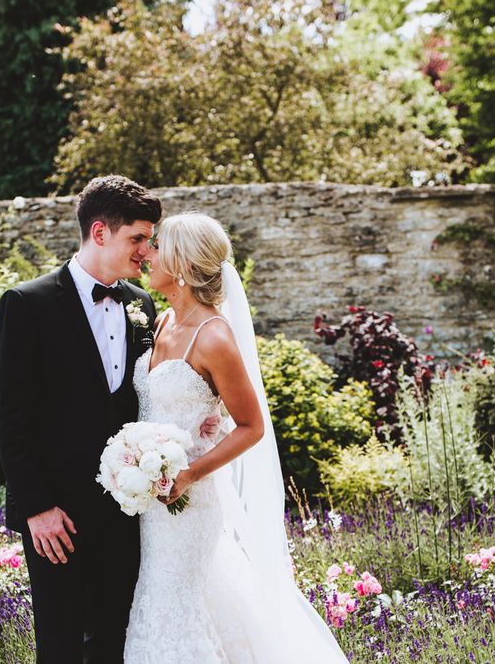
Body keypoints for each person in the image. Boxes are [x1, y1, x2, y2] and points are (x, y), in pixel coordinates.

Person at [124, 212, 350, 663]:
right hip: (150, 502)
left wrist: (188, 473)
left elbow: (253, 425)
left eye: (157, 246)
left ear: (183, 266)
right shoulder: (163, 322)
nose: (146, 253)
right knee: (171, 600)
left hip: (189, 502)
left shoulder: (214, 337)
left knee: (176, 604)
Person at [0, 175, 162, 663]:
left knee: (115, 642)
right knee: (61, 647)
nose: (146, 251)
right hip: (56, 517)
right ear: (100, 232)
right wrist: (36, 507)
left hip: (126, 510)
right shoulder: (27, 303)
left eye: (149, 240)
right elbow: (10, 416)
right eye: (137, 238)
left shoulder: (140, 305)